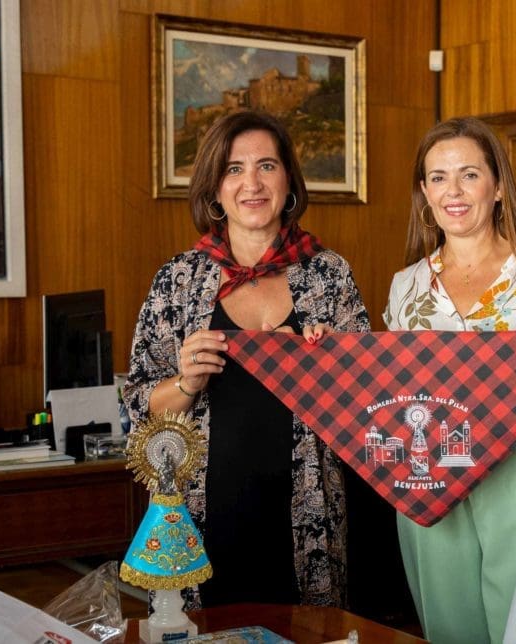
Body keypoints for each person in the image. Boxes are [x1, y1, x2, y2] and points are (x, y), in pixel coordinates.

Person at [124, 110, 370, 609]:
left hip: (309, 517)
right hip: (199, 521)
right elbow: (140, 405)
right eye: (234, 169)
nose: (251, 183)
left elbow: (370, 407)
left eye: (266, 166)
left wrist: (332, 364)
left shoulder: (329, 276)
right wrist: (187, 381)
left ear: (289, 182)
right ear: (215, 190)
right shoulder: (177, 281)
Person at [383, 116, 516, 644]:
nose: (453, 191)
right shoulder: (405, 285)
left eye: (469, 174)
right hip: (428, 470)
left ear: (498, 186)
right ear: (424, 192)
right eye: (438, 177)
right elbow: (392, 397)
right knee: (449, 629)